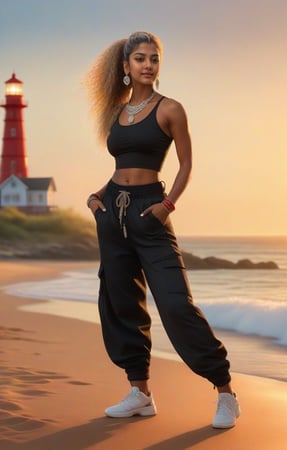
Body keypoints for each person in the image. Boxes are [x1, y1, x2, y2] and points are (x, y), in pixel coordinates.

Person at [86, 31, 240, 429]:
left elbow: (186, 163)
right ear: (126, 67)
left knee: (175, 304)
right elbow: (122, 165)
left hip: (150, 214)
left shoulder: (170, 108)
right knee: (121, 303)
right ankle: (140, 393)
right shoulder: (116, 113)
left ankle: (225, 392)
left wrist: (166, 206)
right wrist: (98, 196)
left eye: (154, 58)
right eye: (140, 58)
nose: (148, 65)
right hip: (113, 215)